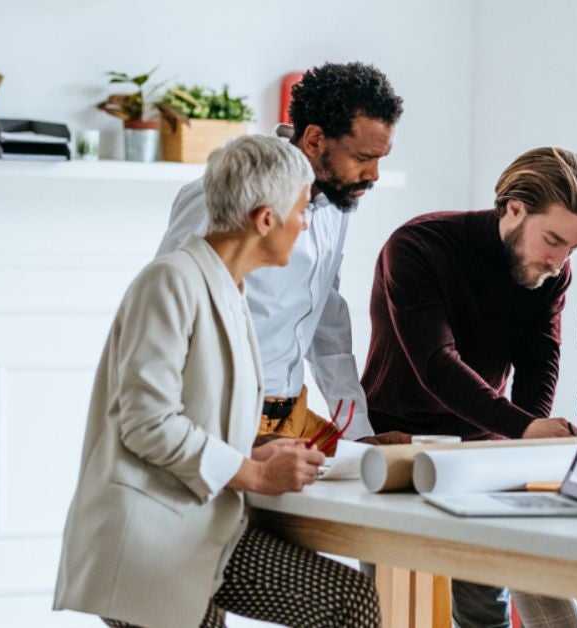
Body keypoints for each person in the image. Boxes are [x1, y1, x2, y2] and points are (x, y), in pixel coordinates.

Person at [54, 135, 380, 628]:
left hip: (205, 527)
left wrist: (257, 450)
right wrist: (254, 475)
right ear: (264, 219)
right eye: (299, 210)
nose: (305, 224)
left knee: (350, 602)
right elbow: (148, 424)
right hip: (150, 539)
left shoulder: (231, 291)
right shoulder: (169, 282)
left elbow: (200, 414)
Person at [362, 146, 577, 627]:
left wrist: (528, 432)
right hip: (397, 441)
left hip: (482, 446)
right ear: (514, 209)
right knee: (387, 610)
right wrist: (522, 429)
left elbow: (540, 357)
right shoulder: (417, 246)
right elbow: (437, 363)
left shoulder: (550, 273)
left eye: (573, 249)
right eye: (553, 240)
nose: (559, 262)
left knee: (484, 608)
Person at [156, 61, 410, 452]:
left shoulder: (338, 203)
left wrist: (359, 435)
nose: (374, 174)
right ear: (313, 140)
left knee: (376, 474)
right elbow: (170, 313)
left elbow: (327, 322)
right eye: (362, 158)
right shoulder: (221, 194)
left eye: (380, 158)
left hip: (292, 414)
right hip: (222, 417)